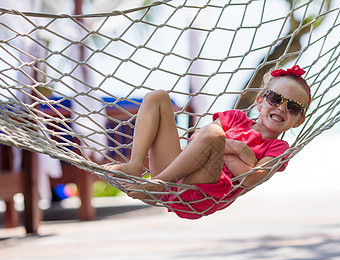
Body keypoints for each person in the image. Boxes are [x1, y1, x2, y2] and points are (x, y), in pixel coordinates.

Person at [105, 65, 311, 219]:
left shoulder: (278, 148)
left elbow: (250, 178)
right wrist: (238, 150)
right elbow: (197, 139)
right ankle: (135, 165)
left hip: (205, 193)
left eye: (293, 108)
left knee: (214, 133)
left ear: (299, 120)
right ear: (259, 101)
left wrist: (220, 146)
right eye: (275, 99)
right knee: (157, 97)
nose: (282, 108)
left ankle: (158, 184)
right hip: (177, 179)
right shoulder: (235, 118)